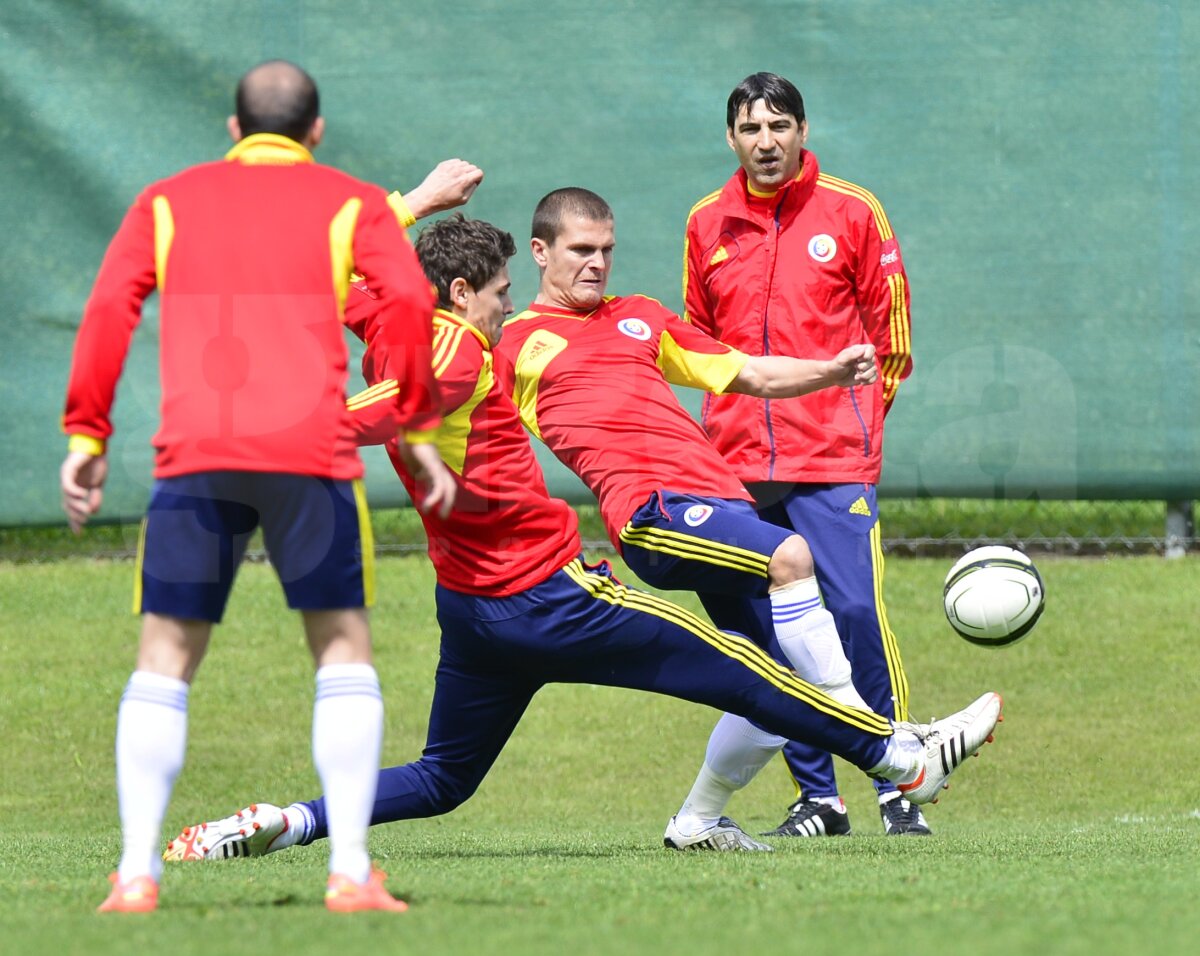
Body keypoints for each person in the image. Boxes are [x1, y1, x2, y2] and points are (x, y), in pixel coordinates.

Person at [159, 213, 1002, 867]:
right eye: (495, 293)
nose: (504, 308)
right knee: (748, 669)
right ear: (461, 294)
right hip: (555, 596)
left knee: (444, 778)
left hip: (474, 615)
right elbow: (372, 413)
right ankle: (901, 760)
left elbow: (331, 281)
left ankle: (286, 821)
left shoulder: (397, 324)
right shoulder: (460, 352)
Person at [60, 60, 453, 913]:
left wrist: (87, 435)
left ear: (234, 130)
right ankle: (349, 872)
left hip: (195, 456)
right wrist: (419, 428)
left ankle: (136, 876)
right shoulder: (348, 201)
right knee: (341, 649)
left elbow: (107, 310)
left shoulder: (166, 201)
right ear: (315, 132)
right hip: (310, 453)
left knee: (165, 658)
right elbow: (409, 305)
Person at [682, 72, 921, 837]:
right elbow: (695, 341)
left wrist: (856, 427)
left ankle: (897, 780)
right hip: (737, 462)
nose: (765, 141)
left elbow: (892, 339)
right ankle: (821, 796)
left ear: (803, 129)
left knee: (852, 611)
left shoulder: (852, 211)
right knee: (769, 633)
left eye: (779, 126)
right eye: (750, 129)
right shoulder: (704, 223)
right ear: (731, 138)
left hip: (834, 458)